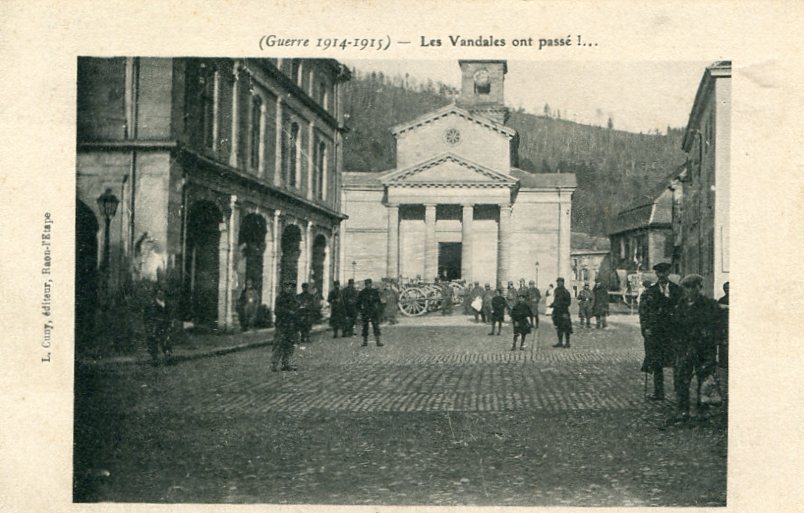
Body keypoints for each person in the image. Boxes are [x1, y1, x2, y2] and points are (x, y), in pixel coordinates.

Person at [669, 274, 720, 424]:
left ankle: (703, 413)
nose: (690, 291)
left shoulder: (709, 305)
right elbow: (674, 327)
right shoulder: (679, 306)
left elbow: (716, 326)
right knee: (682, 380)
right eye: (687, 287)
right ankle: (682, 411)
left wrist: (710, 340)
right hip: (685, 349)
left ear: (699, 288)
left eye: (693, 287)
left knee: (704, 380)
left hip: (704, 349)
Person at [639, 262, 683, 400]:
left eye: (664, 272)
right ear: (656, 274)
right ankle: (659, 393)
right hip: (656, 332)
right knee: (657, 362)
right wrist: (645, 329)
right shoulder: (649, 293)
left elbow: (683, 311)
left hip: (673, 332)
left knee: (677, 362)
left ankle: (679, 392)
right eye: (659, 273)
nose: (662, 275)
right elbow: (643, 313)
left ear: (668, 273)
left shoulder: (678, 290)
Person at [272, 280, 300, 371]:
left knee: (290, 344)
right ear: (284, 288)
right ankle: (274, 364)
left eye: (291, 287)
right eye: (287, 287)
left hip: (291, 325)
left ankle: (286, 363)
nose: (289, 289)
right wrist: (288, 312)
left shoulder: (293, 298)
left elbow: (296, 308)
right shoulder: (280, 298)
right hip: (282, 324)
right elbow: (277, 311)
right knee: (279, 343)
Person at [145, 287, 172, 365]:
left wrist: (169, 322)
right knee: (153, 341)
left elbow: (170, 314)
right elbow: (146, 316)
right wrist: (148, 326)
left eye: (163, 293)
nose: (161, 295)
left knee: (166, 341)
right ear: (156, 294)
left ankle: (168, 357)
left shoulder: (167, 304)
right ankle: (154, 359)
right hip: (154, 325)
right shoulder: (151, 304)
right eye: (159, 293)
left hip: (165, 325)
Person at [357, 278, 384, 347]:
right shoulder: (362, 292)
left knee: (376, 326)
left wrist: (379, 310)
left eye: (369, 284)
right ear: (365, 285)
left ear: (371, 284)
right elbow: (358, 303)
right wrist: (360, 311)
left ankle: (378, 341)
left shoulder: (374, 292)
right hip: (365, 311)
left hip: (373, 311)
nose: (368, 285)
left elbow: (378, 301)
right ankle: (365, 342)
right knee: (365, 326)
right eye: (367, 284)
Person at [551, 277, 573, 348]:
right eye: (557, 282)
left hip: (564, 312)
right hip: (557, 312)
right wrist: (553, 304)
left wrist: (560, 304)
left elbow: (568, 303)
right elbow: (555, 300)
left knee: (566, 327)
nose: (558, 283)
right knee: (559, 327)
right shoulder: (556, 290)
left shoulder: (565, 292)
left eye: (560, 282)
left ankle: (567, 343)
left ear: (563, 283)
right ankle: (560, 342)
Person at [717, 281, 729, 369]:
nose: (727, 290)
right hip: (724, 326)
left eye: (729, 288)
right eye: (725, 288)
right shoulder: (721, 300)